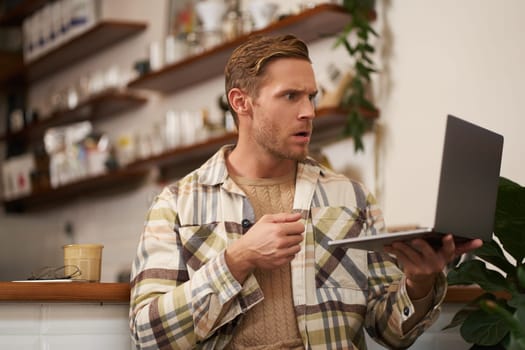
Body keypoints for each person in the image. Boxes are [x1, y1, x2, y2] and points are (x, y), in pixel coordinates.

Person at [129, 34, 482, 349]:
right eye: (291, 96)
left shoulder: (352, 199)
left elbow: (389, 332)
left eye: (312, 97)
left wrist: (419, 282)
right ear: (241, 102)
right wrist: (238, 259)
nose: (309, 112)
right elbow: (148, 335)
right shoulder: (177, 203)